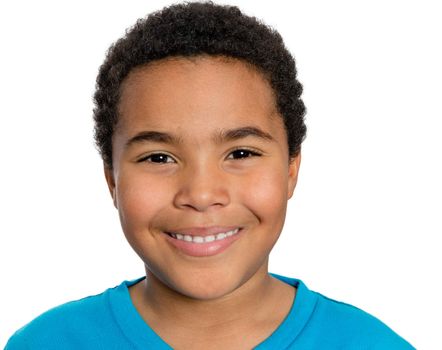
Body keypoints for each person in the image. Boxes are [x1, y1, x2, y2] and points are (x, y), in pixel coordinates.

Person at [5, 2, 414, 349]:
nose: (201, 194)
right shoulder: (44, 342)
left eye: (240, 152)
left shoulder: (371, 343)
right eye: (159, 158)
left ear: (291, 169)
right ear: (112, 179)